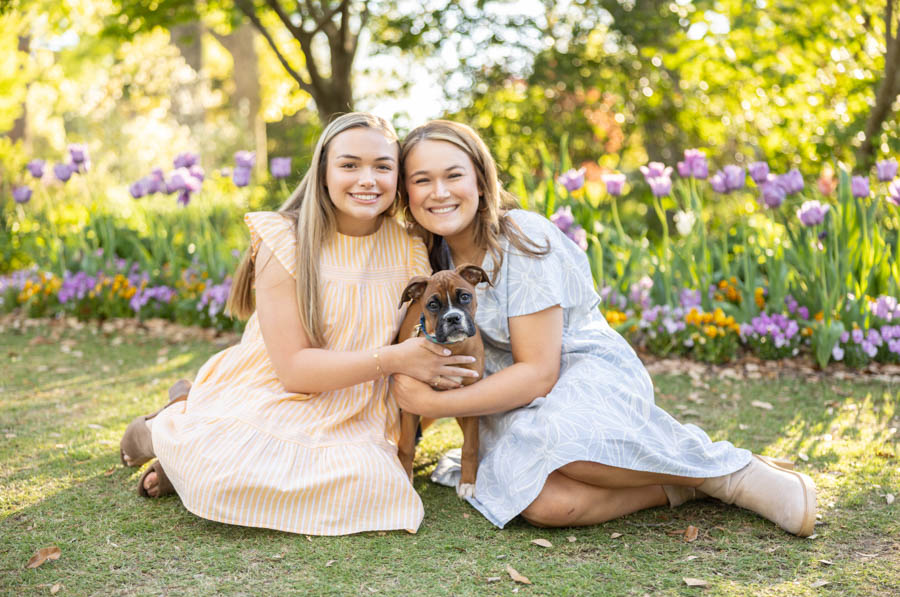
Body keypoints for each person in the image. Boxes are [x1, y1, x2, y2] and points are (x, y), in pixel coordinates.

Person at [392, 120, 816, 537]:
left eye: (454, 175)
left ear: (481, 182)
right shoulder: (428, 255)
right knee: (546, 504)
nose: (440, 191)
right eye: (422, 180)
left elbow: (540, 374)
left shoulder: (520, 237)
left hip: (577, 374)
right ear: (406, 193)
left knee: (560, 440)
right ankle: (679, 482)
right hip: (504, 399)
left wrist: (440, 403)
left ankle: (731, 475)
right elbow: (420, 347)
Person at [119, 112, 478, 536]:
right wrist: (400, 357)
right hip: (276, 391)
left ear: (397, 178)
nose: (367, 179)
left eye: (382, 167)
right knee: (223, 472)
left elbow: (424, 348)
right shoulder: (285, 240)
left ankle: (189, 443)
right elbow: (293, 373)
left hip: (354, 406)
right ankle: (167, 426)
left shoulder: (412, 249)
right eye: (349, 165)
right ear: (323, 171)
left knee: (375, 490)